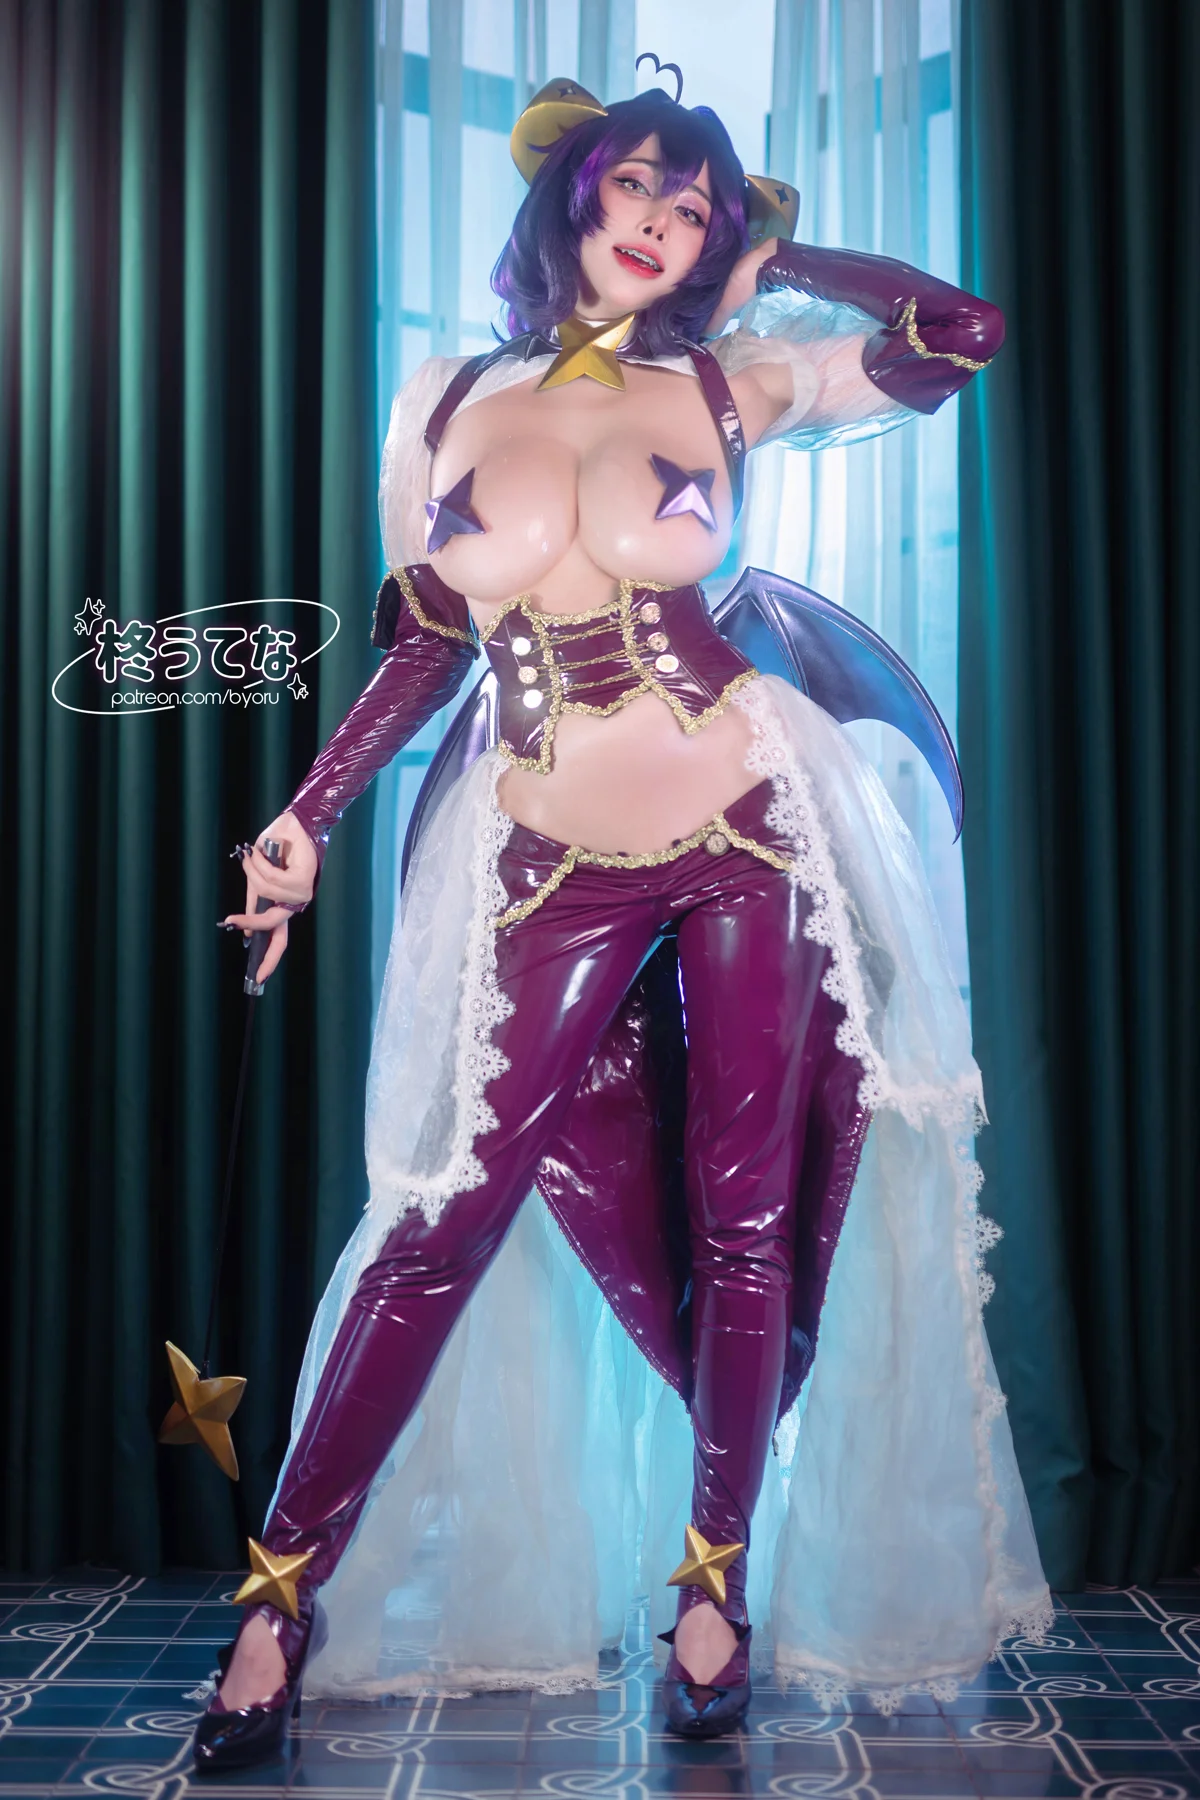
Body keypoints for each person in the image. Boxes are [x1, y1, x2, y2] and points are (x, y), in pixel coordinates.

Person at [192, 78, 1050, 1770]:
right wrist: (305, 818)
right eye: (639, 185)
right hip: (542, 841)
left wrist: (789, 263)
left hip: (744, 816)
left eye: (697, 207)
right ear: (575, 193)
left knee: (745, 1211)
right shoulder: (447, 399)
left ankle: (712, 1588)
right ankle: (279, 1600)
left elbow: (962, 333)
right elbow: (428, 642)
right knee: (440, 1215)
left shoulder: (730, 380)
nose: (662, 221)